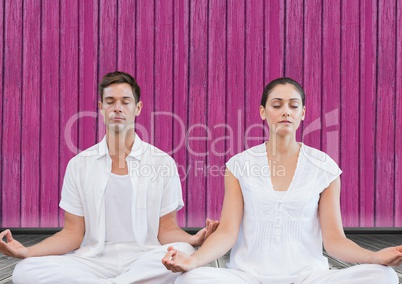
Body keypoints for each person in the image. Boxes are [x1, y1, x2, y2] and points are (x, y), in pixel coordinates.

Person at [162, 77, 401, 284]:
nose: (286, 111)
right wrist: (191, 261)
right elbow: (226, 233)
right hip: (247, 277)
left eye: (293, 105)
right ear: (263, 112)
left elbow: (335, 240)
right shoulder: (240, 165)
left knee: (385, 276)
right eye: (277, 105)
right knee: (189, 278)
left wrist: (374, 256)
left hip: (309, 277)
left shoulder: (324, 167)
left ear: (302, 113)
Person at [0, 71, 218, 284]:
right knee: (25, 270)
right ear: (100, 108)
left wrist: (193, 239)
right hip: (93, 261)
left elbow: (166, 230)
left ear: (137, 108)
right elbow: (72, 234)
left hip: (144, 258)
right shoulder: (79, 165)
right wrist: (27, 251)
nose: (117, 108)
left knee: (184, 251)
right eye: (110, 101)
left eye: (125, 101)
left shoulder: (162, 163)